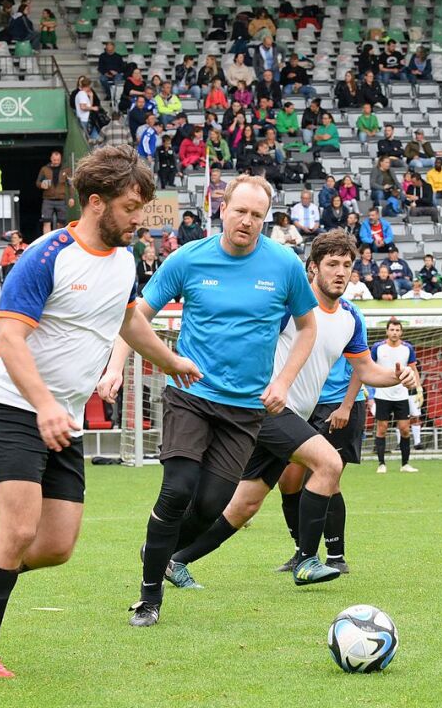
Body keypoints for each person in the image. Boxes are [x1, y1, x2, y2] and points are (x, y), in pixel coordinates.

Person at [0, 147, 198, 676]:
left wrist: (171, 359)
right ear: (96, 203)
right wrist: (44, 405)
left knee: (55, 546)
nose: (141, 219)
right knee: (18, 531)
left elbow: (127, 320)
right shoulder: (48, 255)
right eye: (132, 207)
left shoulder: (124, 259)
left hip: (59, 417)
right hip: (16, 407)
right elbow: (9, 338)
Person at [92, 174, 320, 626]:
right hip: (190, 394)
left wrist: (283, 382)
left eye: (258, 215)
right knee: (177, 490)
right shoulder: (188, 259)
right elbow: (136, 317)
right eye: (240, 211)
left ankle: (157, 548)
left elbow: (308, 327)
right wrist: (115, 365)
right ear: (222, 210)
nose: (248, 221)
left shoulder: (285, 264)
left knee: (213, 505)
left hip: (245, 409)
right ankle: (149, 597)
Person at [157, 231, 415, 589]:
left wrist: (399, 376)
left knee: (244, 506)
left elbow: (367, 371)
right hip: (266, 409)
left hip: (291, 416)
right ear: (312, 268)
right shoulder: (289, 307)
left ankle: (171, 558)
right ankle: (307, 559)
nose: (340, 272)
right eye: (332, 264)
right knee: (328, 463)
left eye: (347, 265)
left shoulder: (351, 317)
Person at [370, 319, 420, 474]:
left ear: (401, 332)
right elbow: (369, 369)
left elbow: (413, 369)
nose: (394, 333)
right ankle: (381, 464)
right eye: (392, 330)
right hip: (382, 394)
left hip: (401, 395)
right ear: (387, 331)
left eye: (397, 330)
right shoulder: (378, 348)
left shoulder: (407, 349)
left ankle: (405, 464)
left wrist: (419, 389)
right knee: (382, 429)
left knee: (405, 429)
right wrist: (370, 395)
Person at [36, 151, 74, 233]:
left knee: (61, 223)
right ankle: (47, 240)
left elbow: (70, 184)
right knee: (46, 222)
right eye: (54, 160)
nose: (56, 161)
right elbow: (38, 183)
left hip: (61, 199)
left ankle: (58, 241)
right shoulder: (44, 169)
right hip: (47, 199)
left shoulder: (66, 170)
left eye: (58, 160)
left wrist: (71, 197)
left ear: (60, 159)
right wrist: (41, 185)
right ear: (51, 159)